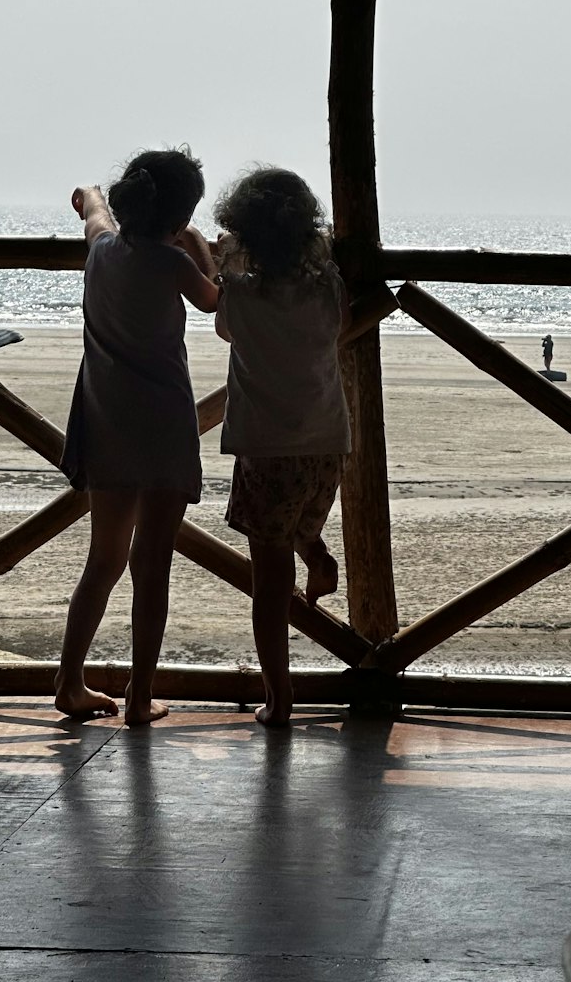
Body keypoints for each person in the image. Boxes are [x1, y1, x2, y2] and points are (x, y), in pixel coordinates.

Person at [55, 147, 218, 726]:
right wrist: (197, 247)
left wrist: (91, 196)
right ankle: (139, 696)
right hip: (164, 427)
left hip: (106, 422)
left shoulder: (101, 249)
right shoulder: (174, 264)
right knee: (153, 563)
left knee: (104, 558)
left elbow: (91, 206)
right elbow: (214, 300)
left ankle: (70, 680)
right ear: (177, 220)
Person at [214, 167, 351, 727]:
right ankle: (317, 556)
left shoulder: (242, 297)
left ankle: (279, 696)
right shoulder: (327, 287)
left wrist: (223, 263)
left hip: (267, 449)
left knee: (269, 584)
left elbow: (224, 328)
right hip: (325, 441)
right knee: (299, 519)